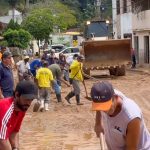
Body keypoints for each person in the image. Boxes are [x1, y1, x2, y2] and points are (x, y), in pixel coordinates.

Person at [91, 81, 150, 150]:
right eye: (101, 107)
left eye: (106, 107)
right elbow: (99, 105)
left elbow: (131, 148)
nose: (104, 111)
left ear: (114, 98)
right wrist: (98, 123)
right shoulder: (105, 94)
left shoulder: (131, 117)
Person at [0, 80, 38, 150]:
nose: (29, 103)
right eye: (27, 99)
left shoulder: (21, 109)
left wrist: (15, 148)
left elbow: (14, 131)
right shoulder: (6, 109)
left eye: (31, 100)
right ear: (17, 95)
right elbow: (1, 140)